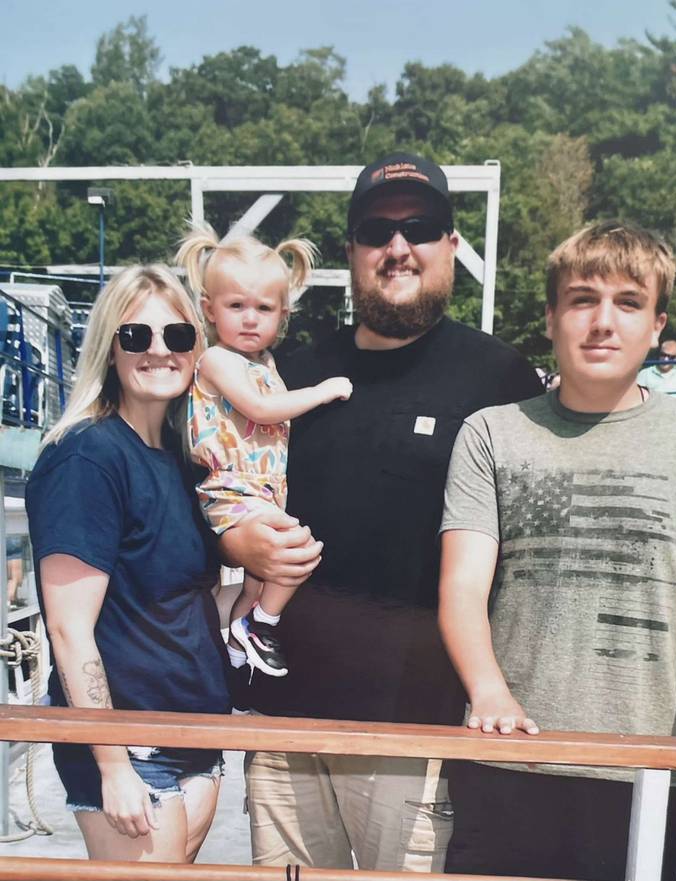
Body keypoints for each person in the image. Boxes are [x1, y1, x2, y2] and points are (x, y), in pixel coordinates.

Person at [438, 220, 676, 881]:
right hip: (503, 756)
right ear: (550, 318)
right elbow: (462, 585)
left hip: (641, 770)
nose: (603, 322)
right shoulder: (490, 433)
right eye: (582, 299)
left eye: (628, 303)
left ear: (657, 324)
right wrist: (488, 690)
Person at [219, 151, 545, 872]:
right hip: (286, 720)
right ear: (352, 251)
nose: (398, 246)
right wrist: (241, 540)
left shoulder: (502, 377)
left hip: (421, 731)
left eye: (421, 226)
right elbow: (219, 485)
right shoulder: (287, 375)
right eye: (377, 229)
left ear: (452, 245)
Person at [25, 266, 231, 863]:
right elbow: (69, 628)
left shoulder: (183, 461)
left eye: (179, 336)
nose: (160, 350)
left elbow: (178, 600)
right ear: (109, 348)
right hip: (132, 743)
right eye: (137, 336)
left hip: (197, 732)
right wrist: (112, 763)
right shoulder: (86, 456)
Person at [176, 226, 351, 678]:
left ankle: (236, 639)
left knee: (258, 581)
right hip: (232, 487)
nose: (250, 318)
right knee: (297, 552)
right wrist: (323, 391)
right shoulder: (217, 360)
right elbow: (262, 409)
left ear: (283, 314)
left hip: (264, 491)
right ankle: (261, 626)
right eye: (236, 306)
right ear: (209, 310)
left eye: (263, 308)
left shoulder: (267, 366)